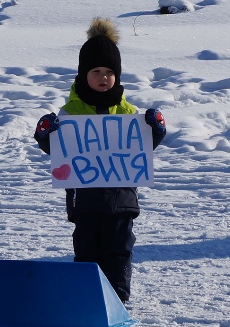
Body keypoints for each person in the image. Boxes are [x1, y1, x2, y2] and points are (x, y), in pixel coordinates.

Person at [33, 17, 166, 303]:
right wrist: (45, 135)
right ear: (83, 75)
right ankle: (86, 299)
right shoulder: (71, 112)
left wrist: (155, 131)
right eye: (96, 71)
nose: (103, 77)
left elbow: (139, 149)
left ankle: (117, 301)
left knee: (119, 249)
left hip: (122, 198)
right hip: (86, 198)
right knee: (87, 248)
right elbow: (57, 149)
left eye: (109, 71)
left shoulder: (128, 111)